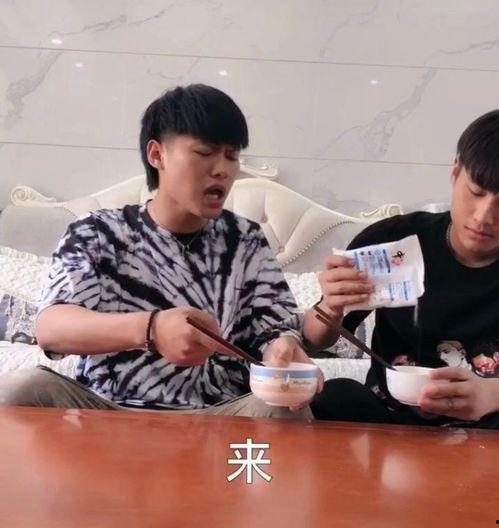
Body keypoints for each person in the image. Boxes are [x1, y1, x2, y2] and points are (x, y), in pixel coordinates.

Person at [0, 84, 321, 418]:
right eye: (205, 152)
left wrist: (282, 349)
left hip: (219, 413)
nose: (223, 169)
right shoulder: (97, 232)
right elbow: (51, 329)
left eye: (231, 155)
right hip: (107, 411)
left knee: (285, 409)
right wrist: (151, 329)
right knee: (20, 389)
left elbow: (277, 328)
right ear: (157, 155)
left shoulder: (246, 240)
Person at [303, 110, 499, 429]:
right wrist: (330, 306)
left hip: (488, 427)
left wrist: (493, 394)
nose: (483, 216)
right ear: (455, 173)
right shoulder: (394, 241)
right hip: (389, 417)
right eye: (475, 192)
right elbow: (314, 340)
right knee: (335, 396)